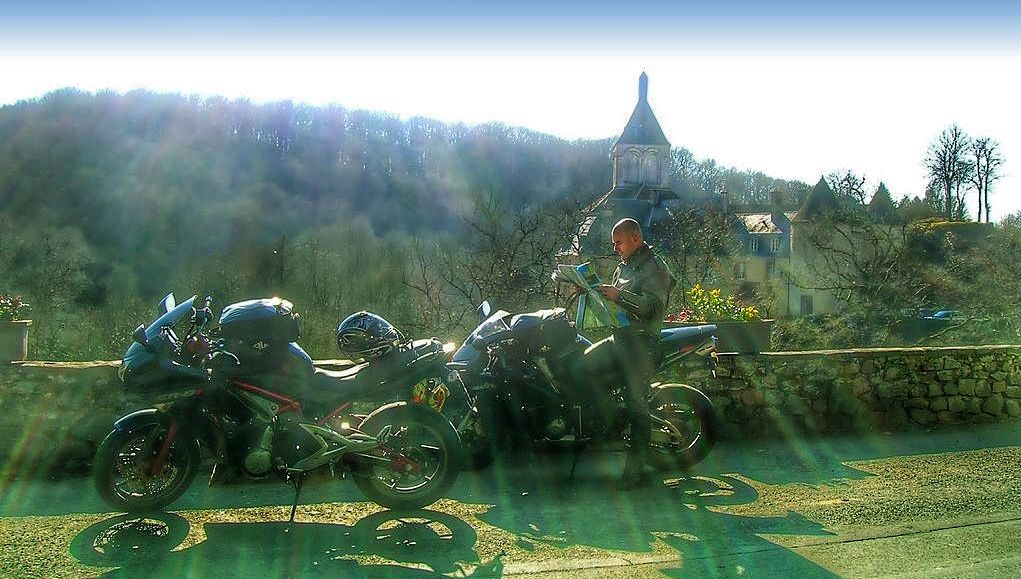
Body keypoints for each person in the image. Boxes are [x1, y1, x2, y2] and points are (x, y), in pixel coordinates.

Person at [598, 218, 676, 489]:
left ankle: (636, 470)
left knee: (636, 403)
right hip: (619, 339)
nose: (615, 248)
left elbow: (652, 308)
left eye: (618, 242)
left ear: (635, 238)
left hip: (642, 344)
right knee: (580, 366)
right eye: (613, 243)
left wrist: (618, 296)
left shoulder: (656, 268)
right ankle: (605, 424)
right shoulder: (625, 266)